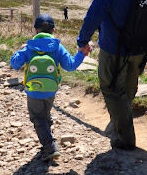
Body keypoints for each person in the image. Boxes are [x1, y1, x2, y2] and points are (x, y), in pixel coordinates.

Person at [76, 0, 147, 151]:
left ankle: (125, 138)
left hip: (114, 48)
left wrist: (82, 41)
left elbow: (94, 16)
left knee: (111, 88)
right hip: (140, 49)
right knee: (129, 87)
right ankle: (120, 121)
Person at [10, 14, 90, 161]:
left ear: (35, 30)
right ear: (53, 30)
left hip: (33, 90)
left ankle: (50, 146)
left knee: (37, 117)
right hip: (51, 88)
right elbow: (70, 65)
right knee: (45, 115)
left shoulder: (29, 46)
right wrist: (81, 54)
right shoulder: (57, 46)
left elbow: (14, 64)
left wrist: (20, 49)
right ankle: (47, 141)